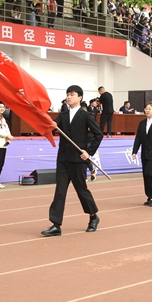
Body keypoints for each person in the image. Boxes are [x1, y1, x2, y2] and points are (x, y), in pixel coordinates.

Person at [41, 85, 103, 237]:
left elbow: (98, 134)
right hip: (63, 159)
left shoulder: (86, 115)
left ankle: (93, 216)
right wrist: (40, 116)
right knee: (60, 191)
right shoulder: (63, 115)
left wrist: (88, 152)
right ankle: (56, 225)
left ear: (80, 97)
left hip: (78, 160)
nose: (68, 97)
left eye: (72, 95)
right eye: (67, 94)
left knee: (81, 190)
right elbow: (51, 126)